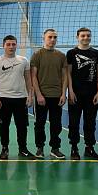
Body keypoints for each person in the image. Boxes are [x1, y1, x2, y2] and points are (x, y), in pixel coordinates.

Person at [0, 35, 34, 160]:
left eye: (13, 44)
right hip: (4, 98)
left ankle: (23, 149)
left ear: (16, 45)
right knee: (4, 126)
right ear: (3, 45)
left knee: (22, 126)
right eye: (8, 44)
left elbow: (28, 79)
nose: (11, 47)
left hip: (21, 98)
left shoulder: (23, 60)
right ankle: (4, 149)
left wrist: (30, 95)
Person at [66, 27, 98, 160]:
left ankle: (89, 148)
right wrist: (70, 91)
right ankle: (74, 148)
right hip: (76, 94)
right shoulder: (71, 53)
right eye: (83, 36)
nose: (86, 38)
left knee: (90, 122)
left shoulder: (97, 53)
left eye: (88, 35)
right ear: (77, 37)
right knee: (74, 122)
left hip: (91, 94)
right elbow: (68, 74)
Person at [31, 29, 67, 159]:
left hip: (57, 96)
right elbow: (33, 76)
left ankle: (55, 148)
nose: (52, 39)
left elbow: (65, 76)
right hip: (42, 96)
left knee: (56, 124)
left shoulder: (61, 56)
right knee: (39, 123)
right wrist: (39, 94)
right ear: (44, 38)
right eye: (50, 37)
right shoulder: (37, 54)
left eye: (55, 37)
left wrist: (63, 94)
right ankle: (39, 148)